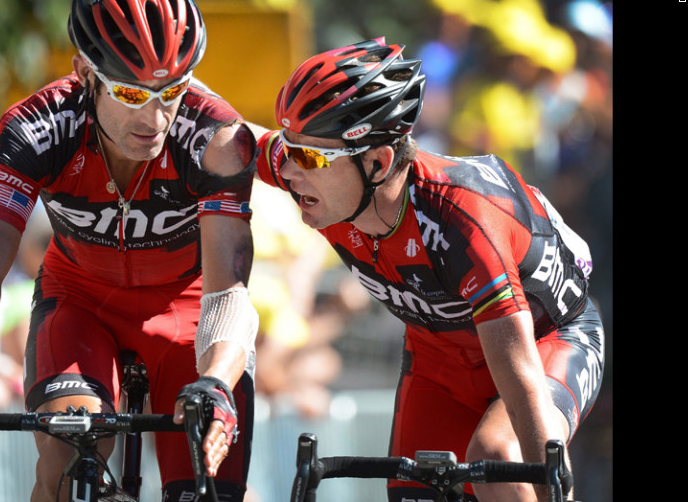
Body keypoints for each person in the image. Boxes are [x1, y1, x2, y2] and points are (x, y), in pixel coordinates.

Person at [0, 0, 258, 501]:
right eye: (131, 94)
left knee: (208, 489)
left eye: (172, 92)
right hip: (80, 303)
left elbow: (228, 288)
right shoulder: (37, 128)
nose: (156, 118)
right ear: (84, 74)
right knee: (72, 466)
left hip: (187, 313)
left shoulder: (215, 137)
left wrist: (215, 380)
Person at [254, 38, 604, 501]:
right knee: (415, 492)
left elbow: (518, 374)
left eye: (308, 159)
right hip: (440, 358)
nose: (289, 174)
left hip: (545, 341)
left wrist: (554, 486)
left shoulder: (461, 217)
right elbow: (216, 128)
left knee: (498, 454)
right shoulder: (328, 173)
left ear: (378, 163)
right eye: (286, 150)